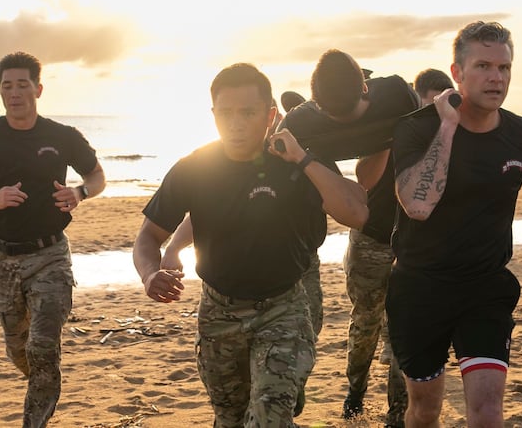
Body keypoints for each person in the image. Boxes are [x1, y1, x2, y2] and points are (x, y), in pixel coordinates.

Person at [388, 21, 522, 427]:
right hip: (419, 288)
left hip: (486, 287)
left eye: (504, 67)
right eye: (483, 66)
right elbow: (417, 206)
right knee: (425, 410)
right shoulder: (416, 128)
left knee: (488, 411)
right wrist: (448, 126)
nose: (496, 77)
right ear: (457, 73)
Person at [132, 63, 368, 426]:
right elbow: (148, 237)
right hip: (218, 314)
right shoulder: (194, 168)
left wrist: (303, 159)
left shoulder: (294, 160)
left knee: (270, 417)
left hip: (282, 309)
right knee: (229, 418)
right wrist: (150, 273)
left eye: (248, 112)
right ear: (213, 114)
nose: (236, 123)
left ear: (270, 115)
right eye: (225, 113)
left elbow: (356, 213)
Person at [0, 51, 106, 427]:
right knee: (20, 350)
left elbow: (97, 176)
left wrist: (80, 192)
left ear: (38, 89)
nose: (14, 93)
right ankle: (45, 381)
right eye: (7, 86)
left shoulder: (62, 136)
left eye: (22, 85)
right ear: (0, 90)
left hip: (51, 255)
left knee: (42, 346)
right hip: (3, 261)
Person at [281, 49, 417, 427]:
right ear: (316, 104)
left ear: (366, 88)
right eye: (333, 114)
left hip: (414, 239)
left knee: (405, 326)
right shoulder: (303, 122)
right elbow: (356, 185)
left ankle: (397, 413)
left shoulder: (397, 96)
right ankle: (355, 394)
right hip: (370, 236)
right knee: (366, 324)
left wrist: (388, 138)